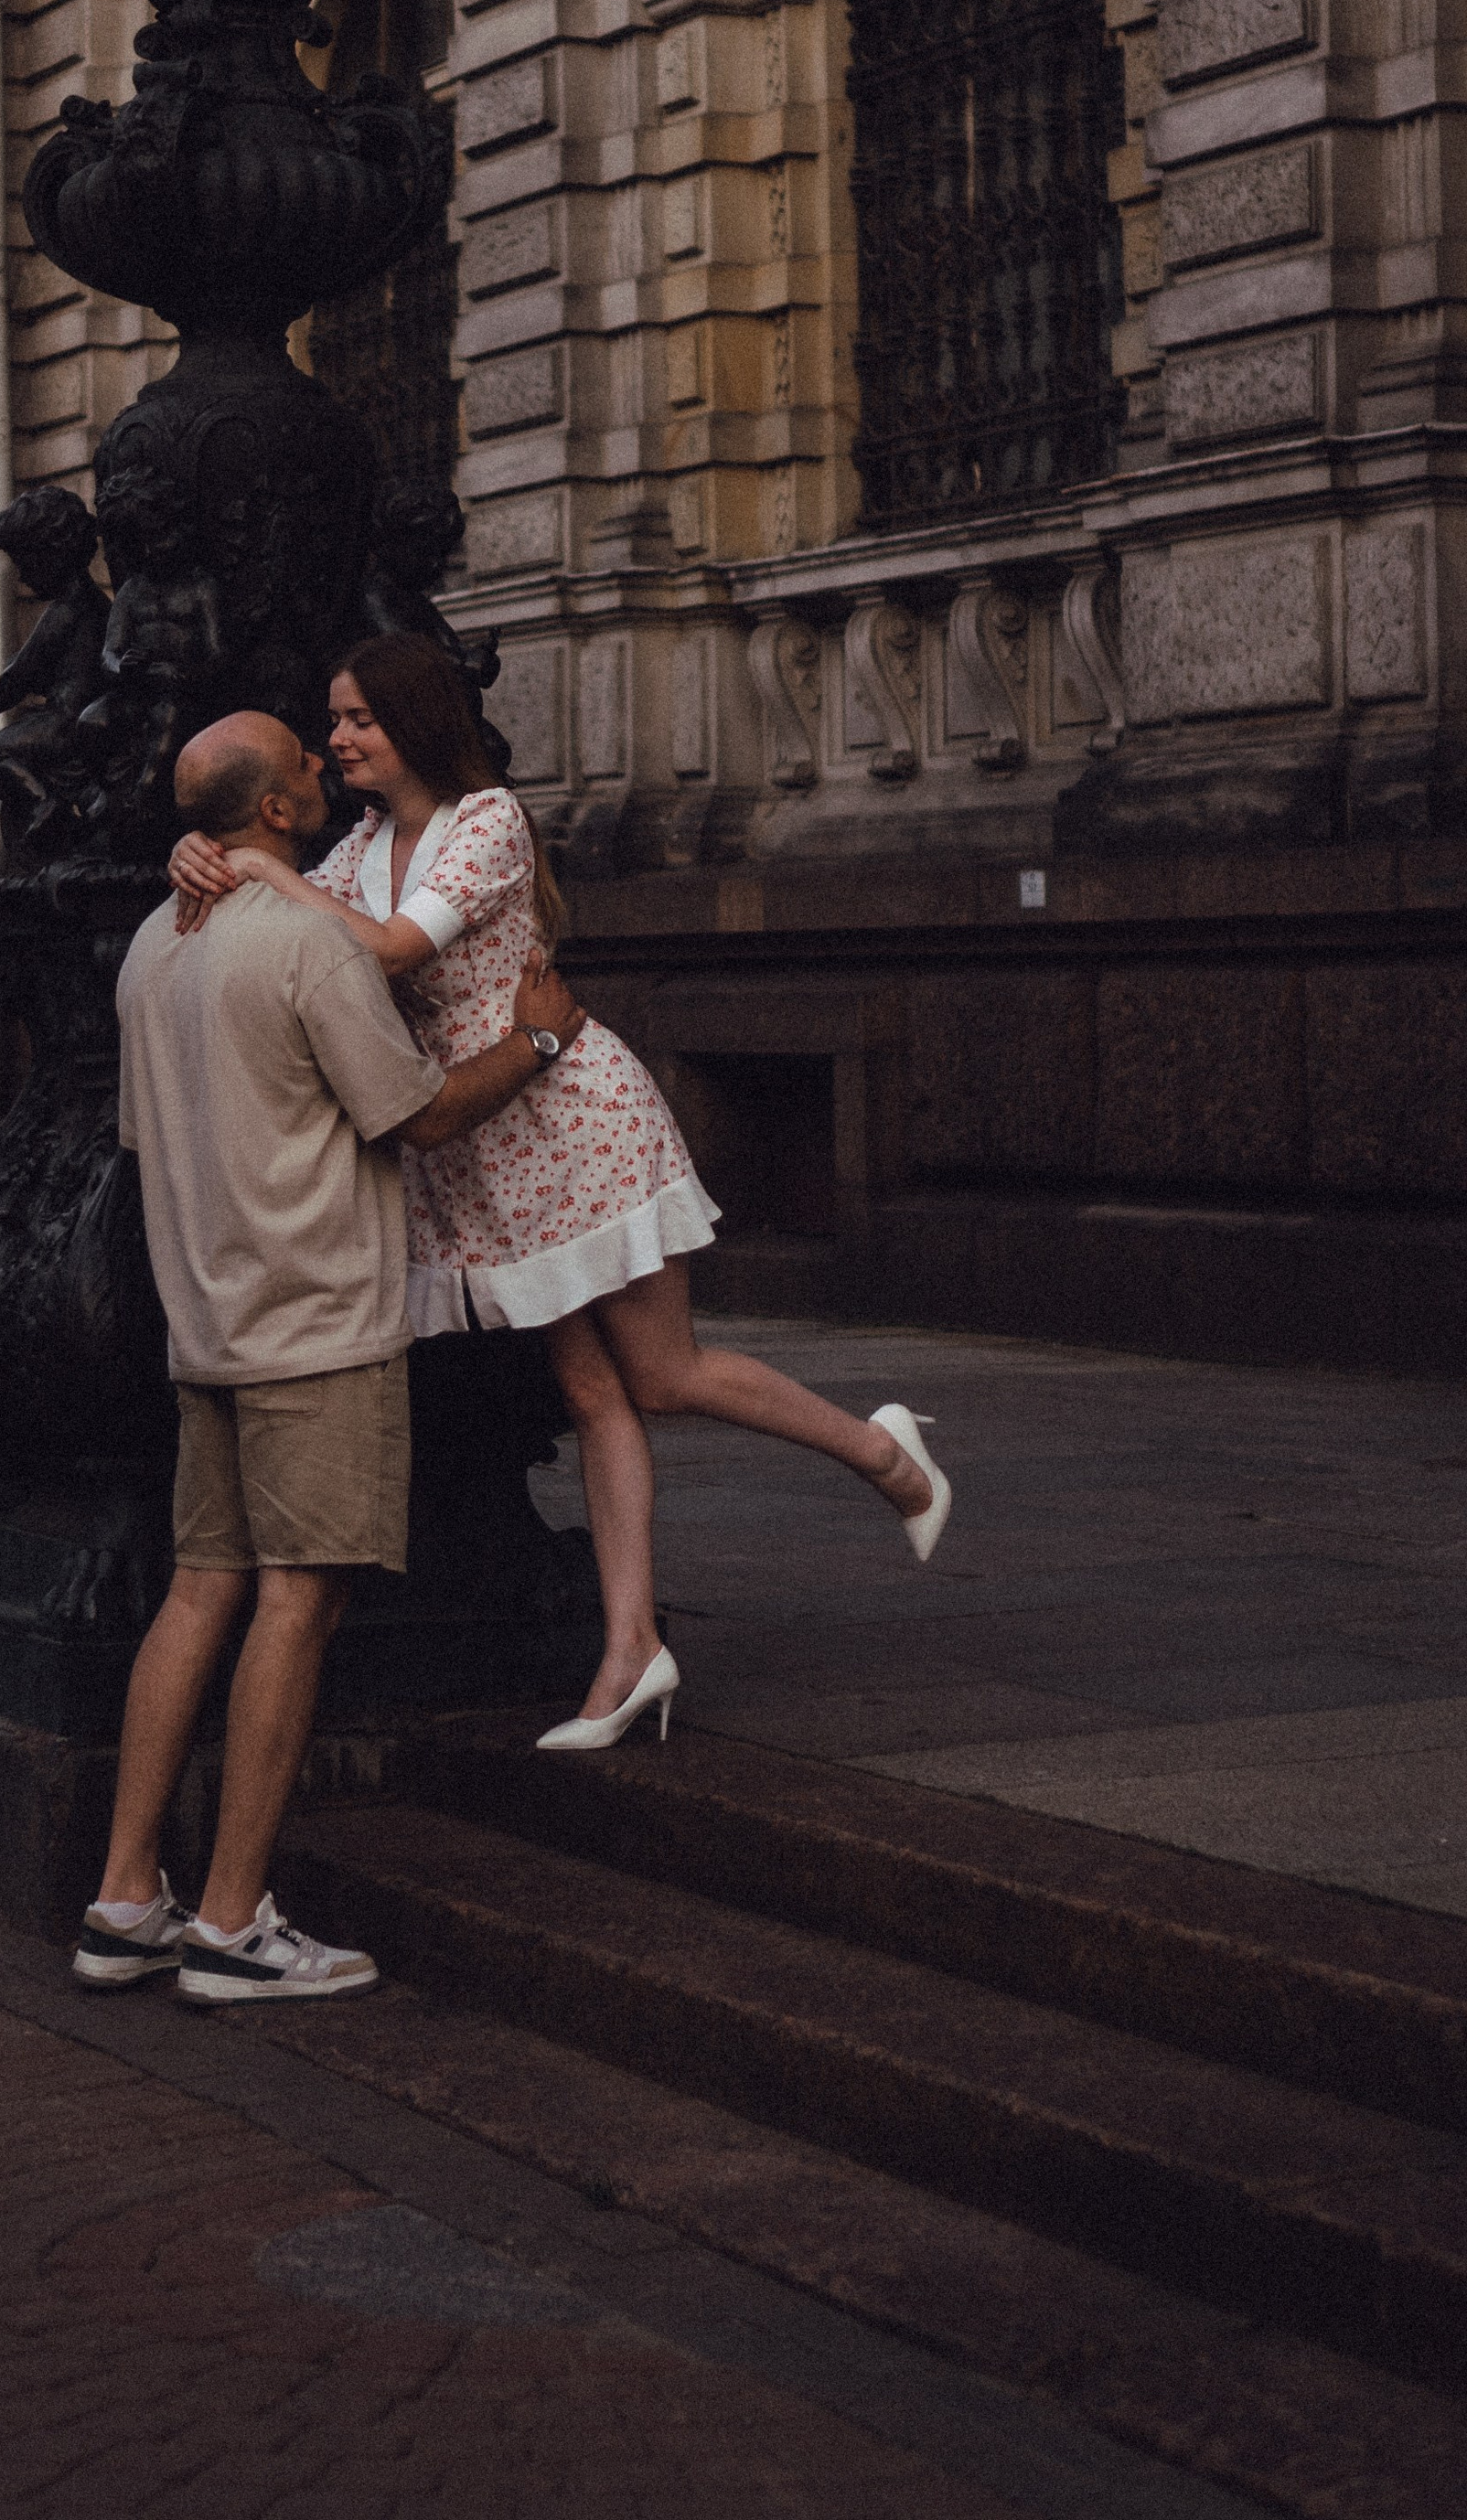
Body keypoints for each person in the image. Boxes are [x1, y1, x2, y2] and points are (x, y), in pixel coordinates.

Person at [169, 634, 951, 1756]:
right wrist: (196, 857)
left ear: (414, 723)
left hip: (570, 1121)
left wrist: (260, 870)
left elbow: (386, 952)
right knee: (590, 1393)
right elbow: (302, 920)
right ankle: (632, 1650)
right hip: (482, 1147)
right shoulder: (353, 849)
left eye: (357, 721)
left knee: (663, 1374)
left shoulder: (483, 822)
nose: (336, 740)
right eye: (331, 723)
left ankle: (883, 1453)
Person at [75, 706, 589, 2002]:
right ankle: (235, 1925)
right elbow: (412, 1115)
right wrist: (531, 1042)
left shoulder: (150, 946)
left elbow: (146, 1138)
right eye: (310, 765)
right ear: (281, 812)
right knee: (299, 1605)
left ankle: (125, 1897)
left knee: (199, 1595)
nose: (326, 768)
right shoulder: (306, 943)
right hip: (316, 1325)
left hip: (208, 1325)